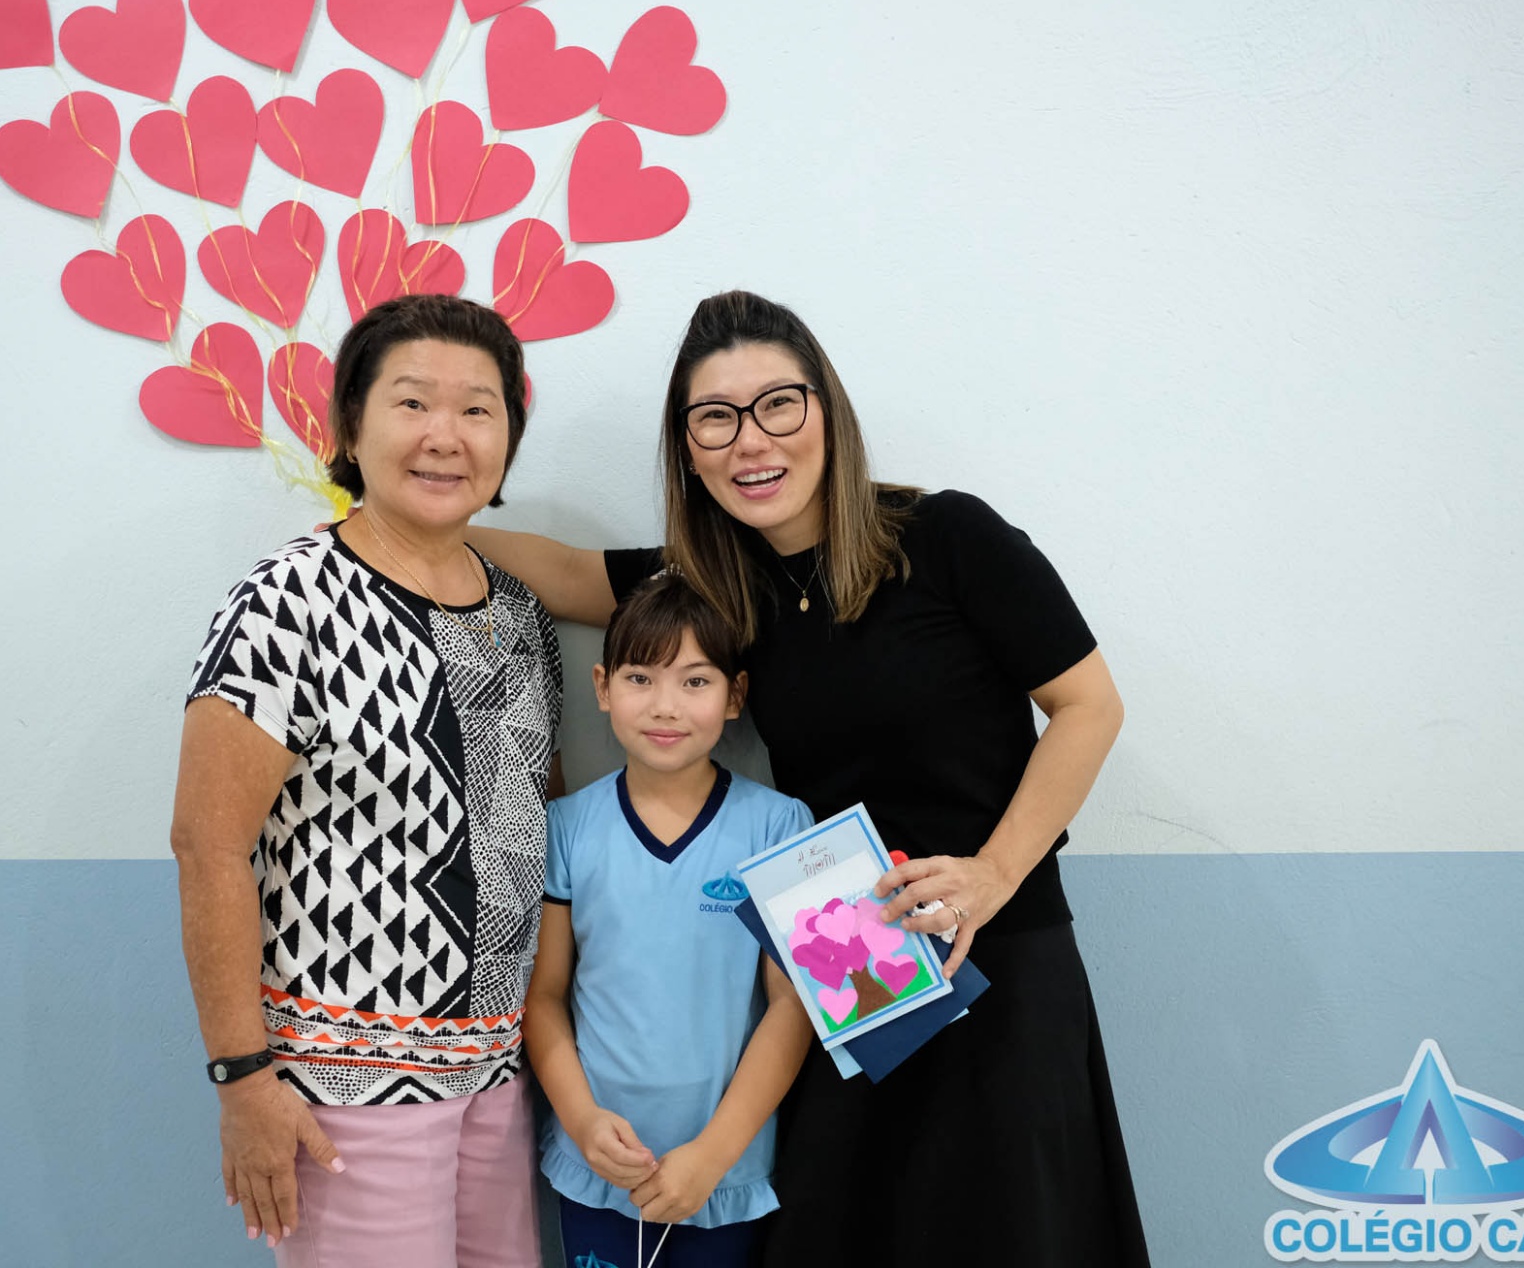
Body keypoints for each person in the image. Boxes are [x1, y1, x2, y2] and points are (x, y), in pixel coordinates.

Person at [472, 289, 1151, 1265]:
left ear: (826, 410)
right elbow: (570, 573)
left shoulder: (949, 537)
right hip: (847, 953)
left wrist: (992, 873)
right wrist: (407, 518)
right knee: (849, 1229)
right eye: (716, 417)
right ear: (689, 447)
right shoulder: (725, 582)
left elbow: (1090, 706)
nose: (751, 441)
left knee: (1009, 1231)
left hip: (997, 944)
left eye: (778, 404)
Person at [170, 294, 562, 1268]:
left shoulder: (520, 617)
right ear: (350, 426)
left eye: (478, 409)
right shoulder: (287, 601)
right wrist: (242, 1079)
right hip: (342, 1091)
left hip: (497, 1074)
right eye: (412, 402)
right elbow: (207, 845)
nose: (445, 435)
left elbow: (534, 825)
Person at [525, 574, 814, 1268]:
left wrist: (715, 1155)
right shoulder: (566, 827)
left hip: (725, 1171)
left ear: (735, 695)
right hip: (598, 1167)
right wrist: (582, 1121)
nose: (665, 705)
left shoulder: (781, 827)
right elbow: (544, 997)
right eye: (639, 678)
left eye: (695, 681)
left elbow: (792, 1007)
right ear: (602, 687)